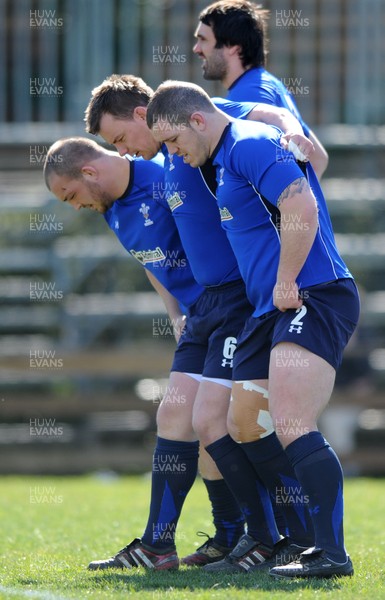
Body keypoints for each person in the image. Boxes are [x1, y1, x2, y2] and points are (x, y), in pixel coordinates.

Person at [83, 74, 316, 571]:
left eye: (122, 139)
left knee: (226, 420)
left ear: (144, 116)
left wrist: (297, 137)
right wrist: (175, 312)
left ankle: (272, 535)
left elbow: (265, 117)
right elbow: (155, 255)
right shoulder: (161, 163)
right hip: (205, 306)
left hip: (238, 297)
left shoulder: (196, 128)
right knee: (178, 416)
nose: (126, 152)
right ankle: (164, 543)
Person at [146, 80, 360, 579]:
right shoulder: (221, 161)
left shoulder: (248, 144)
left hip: (314, 293)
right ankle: (288, 538)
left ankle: (330, 553)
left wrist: (287, 280)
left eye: (174, 141)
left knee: (290, 420)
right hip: (267, 311)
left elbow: (301, 206)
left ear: (198, 121)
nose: (172, 153)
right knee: (241, 424)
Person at [194, 0, 329, 179]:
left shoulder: (251, 94)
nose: (196, 49)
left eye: (203, 40)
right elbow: (318, 158)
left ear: (233, 47)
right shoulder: (266, 84)